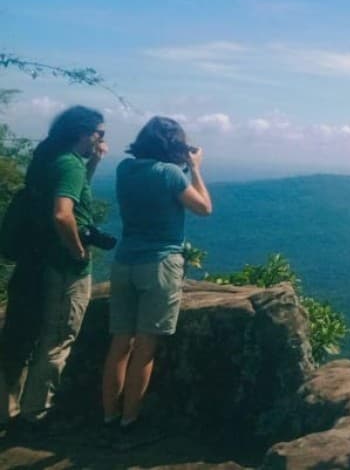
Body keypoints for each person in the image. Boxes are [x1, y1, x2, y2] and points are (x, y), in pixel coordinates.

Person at [101, 116, 211, 440]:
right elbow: (204, 208)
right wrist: (196, 168)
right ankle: (129, 422)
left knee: (120, 344)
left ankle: (108, 417)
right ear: (174, 145)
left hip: (124, 263)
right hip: (159, 264)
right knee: (145, 347)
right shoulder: (170, 174)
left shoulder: (124, 169)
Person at [0, 105, 107, 431]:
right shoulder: (68, 164)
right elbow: (63, 214)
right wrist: (78, 252)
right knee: (58, 338)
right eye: (99, 133)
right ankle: (38, 414)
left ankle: (8, 411)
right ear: (84, 133)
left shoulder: (49, 158)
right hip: (62, 267)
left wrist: (93, 165)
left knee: (19, 335)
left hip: (35, 263)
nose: (101, 139)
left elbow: (70, 194)